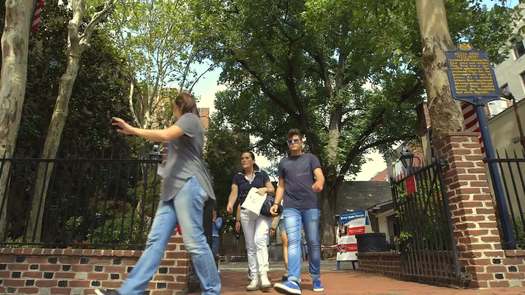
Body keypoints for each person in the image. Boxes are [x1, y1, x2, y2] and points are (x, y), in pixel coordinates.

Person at [95, 92, 221, 295]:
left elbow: (164, 135)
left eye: (173, 108)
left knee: (194, 242)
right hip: (171, 191)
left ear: (178, 106)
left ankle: (212, 291)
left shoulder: (190, 119)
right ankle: (129, 292)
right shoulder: (185, 125)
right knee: (155, 241)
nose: (173, 112)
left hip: (189, 184)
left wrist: (131, 129)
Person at [271, 129, 325, 295]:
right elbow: (281, 186)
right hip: (291, 207)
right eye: (290, 141)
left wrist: (319, 183)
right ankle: (294, 280)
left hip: (310, 206)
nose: (293, 143)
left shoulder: (310, 158)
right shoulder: (284, 163)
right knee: (293, 241)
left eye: (296, 140)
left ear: (302, 141)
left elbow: (320, 176)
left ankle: (315, 277)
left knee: (313, 242)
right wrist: (275, 203)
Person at [226, 151, 275, 291]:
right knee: (250, 246)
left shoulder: (262, 174)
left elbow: (272, 189)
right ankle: (254, 278)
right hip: (246, 213)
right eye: (242, 158)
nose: (244, 160)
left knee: (260, 240)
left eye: (247, 158)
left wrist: (264, 189)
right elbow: (234, 193)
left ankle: (263, 275)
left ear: (253, 161)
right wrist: (230, 203)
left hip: (261, 212)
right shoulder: (238, 177)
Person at [270, 204, 289, 282]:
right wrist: (273, 226)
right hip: (284, 217)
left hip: (286, 216)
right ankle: (289, 270)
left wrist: (273, 226)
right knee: (287, 244)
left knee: (287, 244)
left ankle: (289, 271)